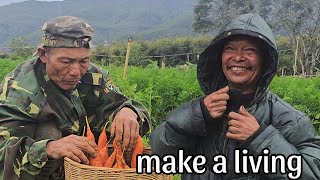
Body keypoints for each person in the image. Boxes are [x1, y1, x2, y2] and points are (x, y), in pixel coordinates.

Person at [150, 13, 320, 179]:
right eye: (230, 49)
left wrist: (259, 138)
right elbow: (160, 153)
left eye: (249, 50)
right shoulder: (202, 110)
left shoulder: (290, 121)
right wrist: (197, 114)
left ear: (265, 61)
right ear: (219, 57)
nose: (238, 57)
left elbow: (313, 173)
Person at [0, 16, 150, 179]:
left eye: (83, 61)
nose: (76, 71)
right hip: (39, 171)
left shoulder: (94, 76)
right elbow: (3, 154)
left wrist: (128, 111)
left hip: (87, 169)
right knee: (48, 132)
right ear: (43, 55)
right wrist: (49, 148)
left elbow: (121, 104)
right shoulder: (20, 91)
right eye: (66, 61)